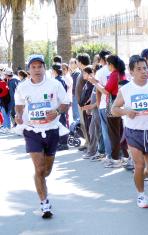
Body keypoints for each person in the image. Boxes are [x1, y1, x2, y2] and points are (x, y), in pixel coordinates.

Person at [14, 54, 70, 218]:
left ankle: (41, 181)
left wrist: (57, 111)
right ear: (28, 69)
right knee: (39, 168)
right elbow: (19, 105)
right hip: (32, 131)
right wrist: (18, 115)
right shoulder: (22, 87)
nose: (37, 70)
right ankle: (44, 203)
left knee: (46, 171)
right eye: (33, 67)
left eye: (40, 66)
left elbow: (66, 103)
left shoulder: (54, 84)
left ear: (44, 68)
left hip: (52, 130)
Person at [111, 55, 148, 208]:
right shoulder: (126, 89)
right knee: (139, 165)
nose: (143, 72)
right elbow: (114, 109)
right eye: (139, 69)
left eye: (145, 68)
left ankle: (138, 177)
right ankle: (141, 195)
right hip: (134, 132)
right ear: (131, 71)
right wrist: (126, 111)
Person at [88, 55, 126, 168]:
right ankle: (119, 157)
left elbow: (106, 91)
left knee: (113, 132)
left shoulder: (115, 74)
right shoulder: (120, 73)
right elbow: (108, 88)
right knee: (117, 131)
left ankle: (116, 159)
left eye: (108, 64)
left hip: (113, 103)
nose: (107, 66)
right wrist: (97, 82)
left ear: (111, 64)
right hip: (117, 102)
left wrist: (95, 83)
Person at [93, 50, 112, 161]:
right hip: (115, 104)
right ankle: (117, 154)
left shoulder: (100, 72)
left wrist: (99, 104)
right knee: (115, 131)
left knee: (106, 131)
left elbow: (98, 91)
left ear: (102, 59)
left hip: (105, 104)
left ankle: (109, 155)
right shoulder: (117, 70)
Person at [75, 54, 91, 152]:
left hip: (84, 103)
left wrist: (84, 103)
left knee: (86, 123)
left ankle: (89, 143)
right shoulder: (82, 72)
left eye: (77, 61)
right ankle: (87, 142)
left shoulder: (87, 71)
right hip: (80, 102)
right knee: (83, 123)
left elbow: (88, 88)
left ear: (80, 62)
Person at [51, 63, 69, 151]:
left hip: (60, 104)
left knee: (61, 123)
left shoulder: (57, 80)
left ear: (55, 71)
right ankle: (61, 142)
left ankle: (63, 142)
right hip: (61, 104)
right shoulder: (61, 79)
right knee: (61, 122)